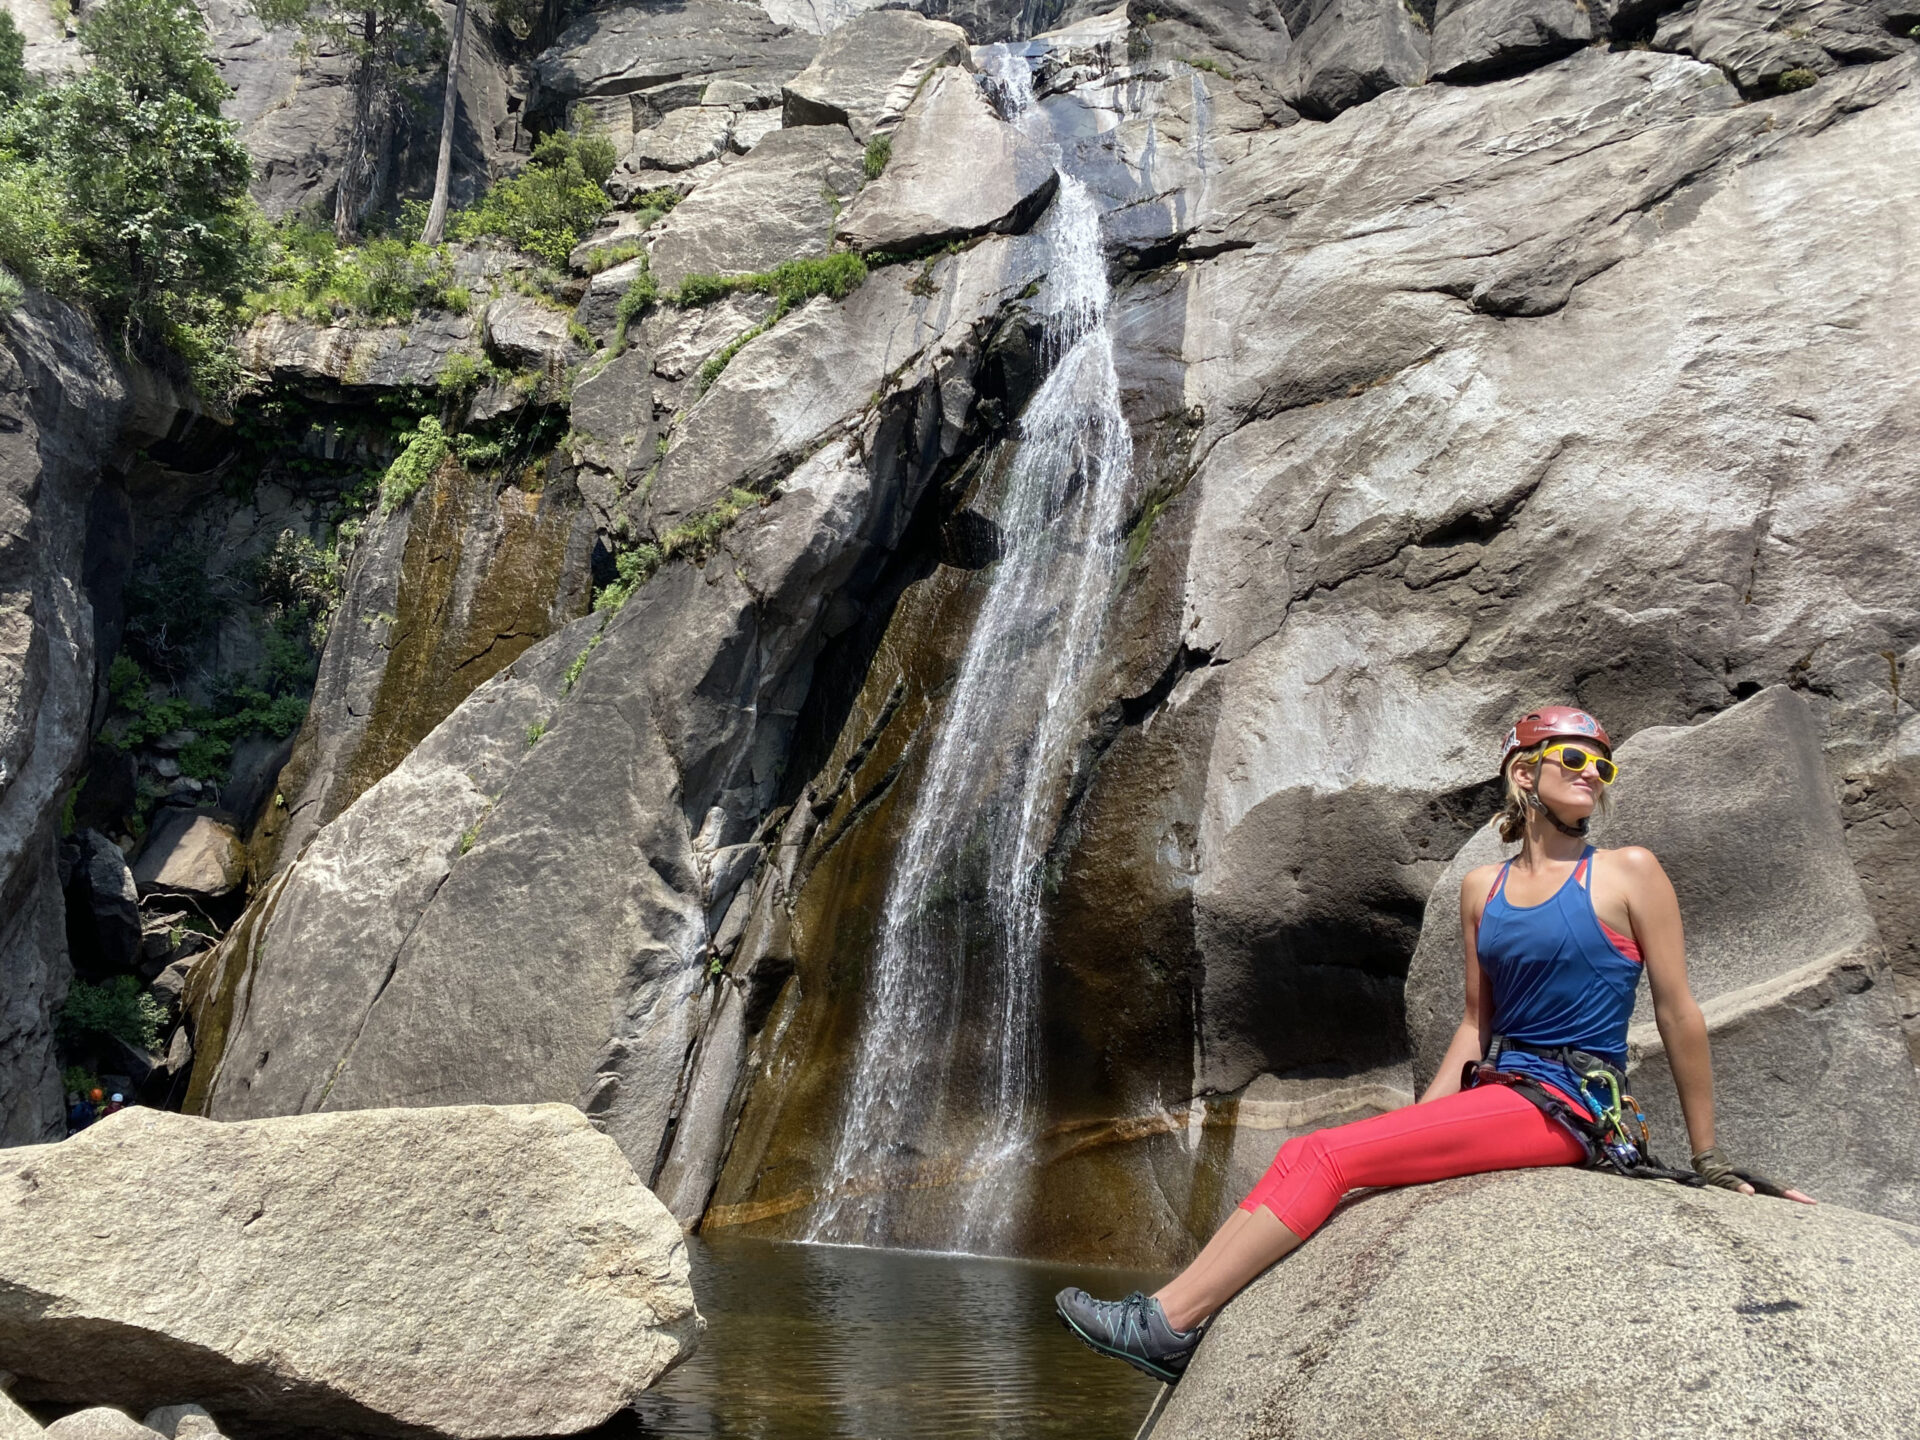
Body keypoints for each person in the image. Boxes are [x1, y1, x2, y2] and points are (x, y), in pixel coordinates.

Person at [1055, 705, 1814, 1384]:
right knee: (1304, 1155)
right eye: (1574, 758)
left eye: (1603, 764)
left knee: (1323, 1157)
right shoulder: (1482, 888)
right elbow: (1474, 1026)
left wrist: (1710, 1158)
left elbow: (1679, 1014)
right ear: (1525, 771)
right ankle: (1171, 1317)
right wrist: (1416, 1126)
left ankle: (1164, 1324)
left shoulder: (1628, 872)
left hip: (1570, 1103)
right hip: (1503, 1090)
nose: (1594, 775)